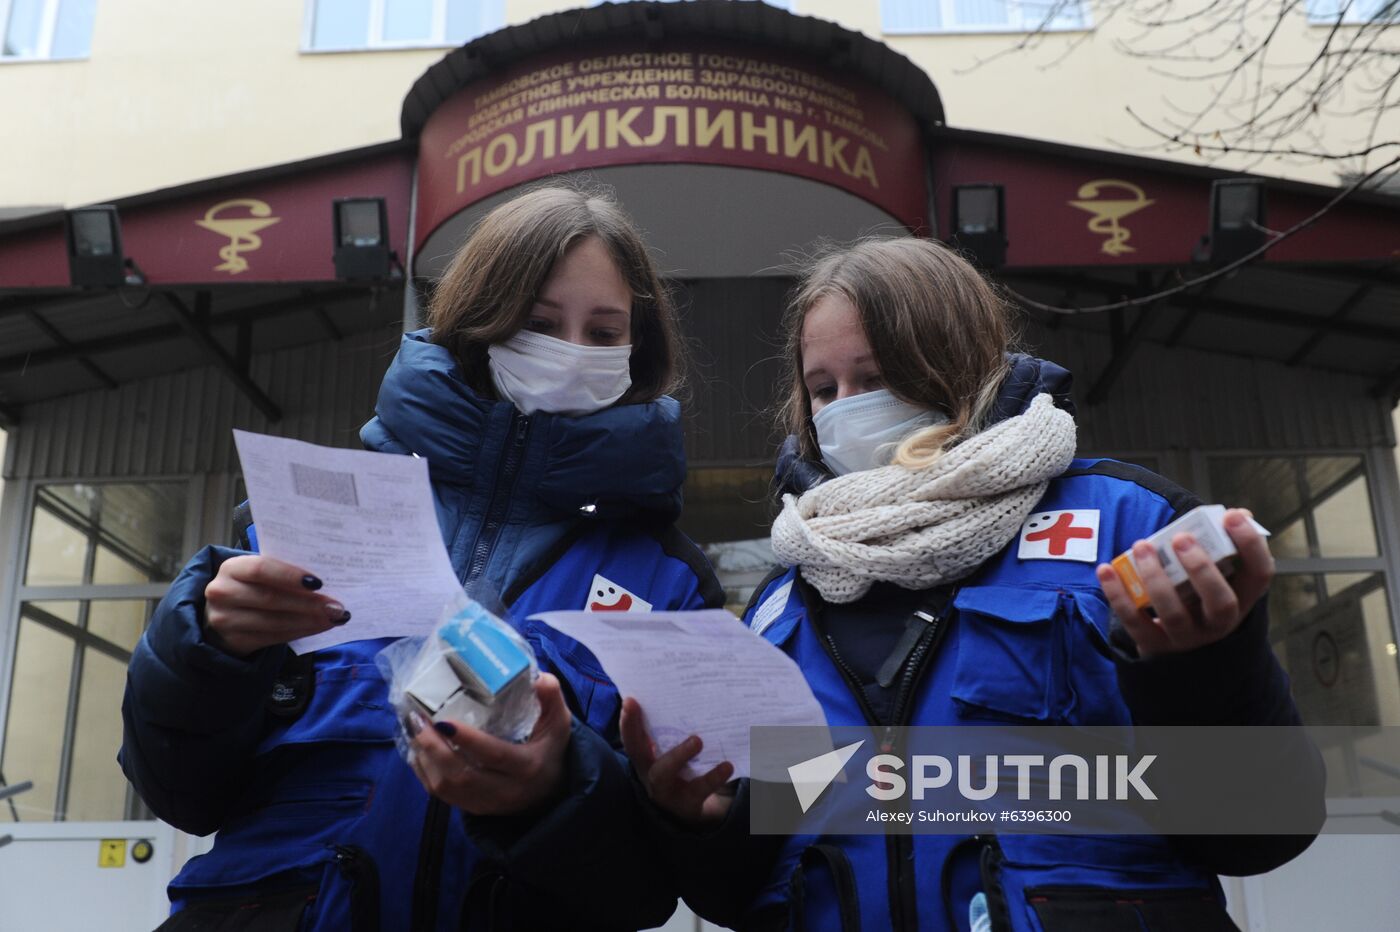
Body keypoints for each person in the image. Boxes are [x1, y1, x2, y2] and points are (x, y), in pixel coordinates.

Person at [625, 237, 1325, 931]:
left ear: (955, 365)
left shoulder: (1125, 524)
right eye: (824, 390)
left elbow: (1261, 833)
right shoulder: (783, 599)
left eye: (875, 377)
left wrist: (1207, 669)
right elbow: (749, 884)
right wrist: (705, 823)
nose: (845, 408)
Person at [119, 185, 724, 931]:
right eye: (538, 324)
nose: (571, 352)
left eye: (603, 333)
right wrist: (206, 649)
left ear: (638, 350)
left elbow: (652, 888)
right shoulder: (318, 513)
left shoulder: (667, 581)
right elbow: (177, 791)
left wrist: (555, 793)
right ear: (478, 321)